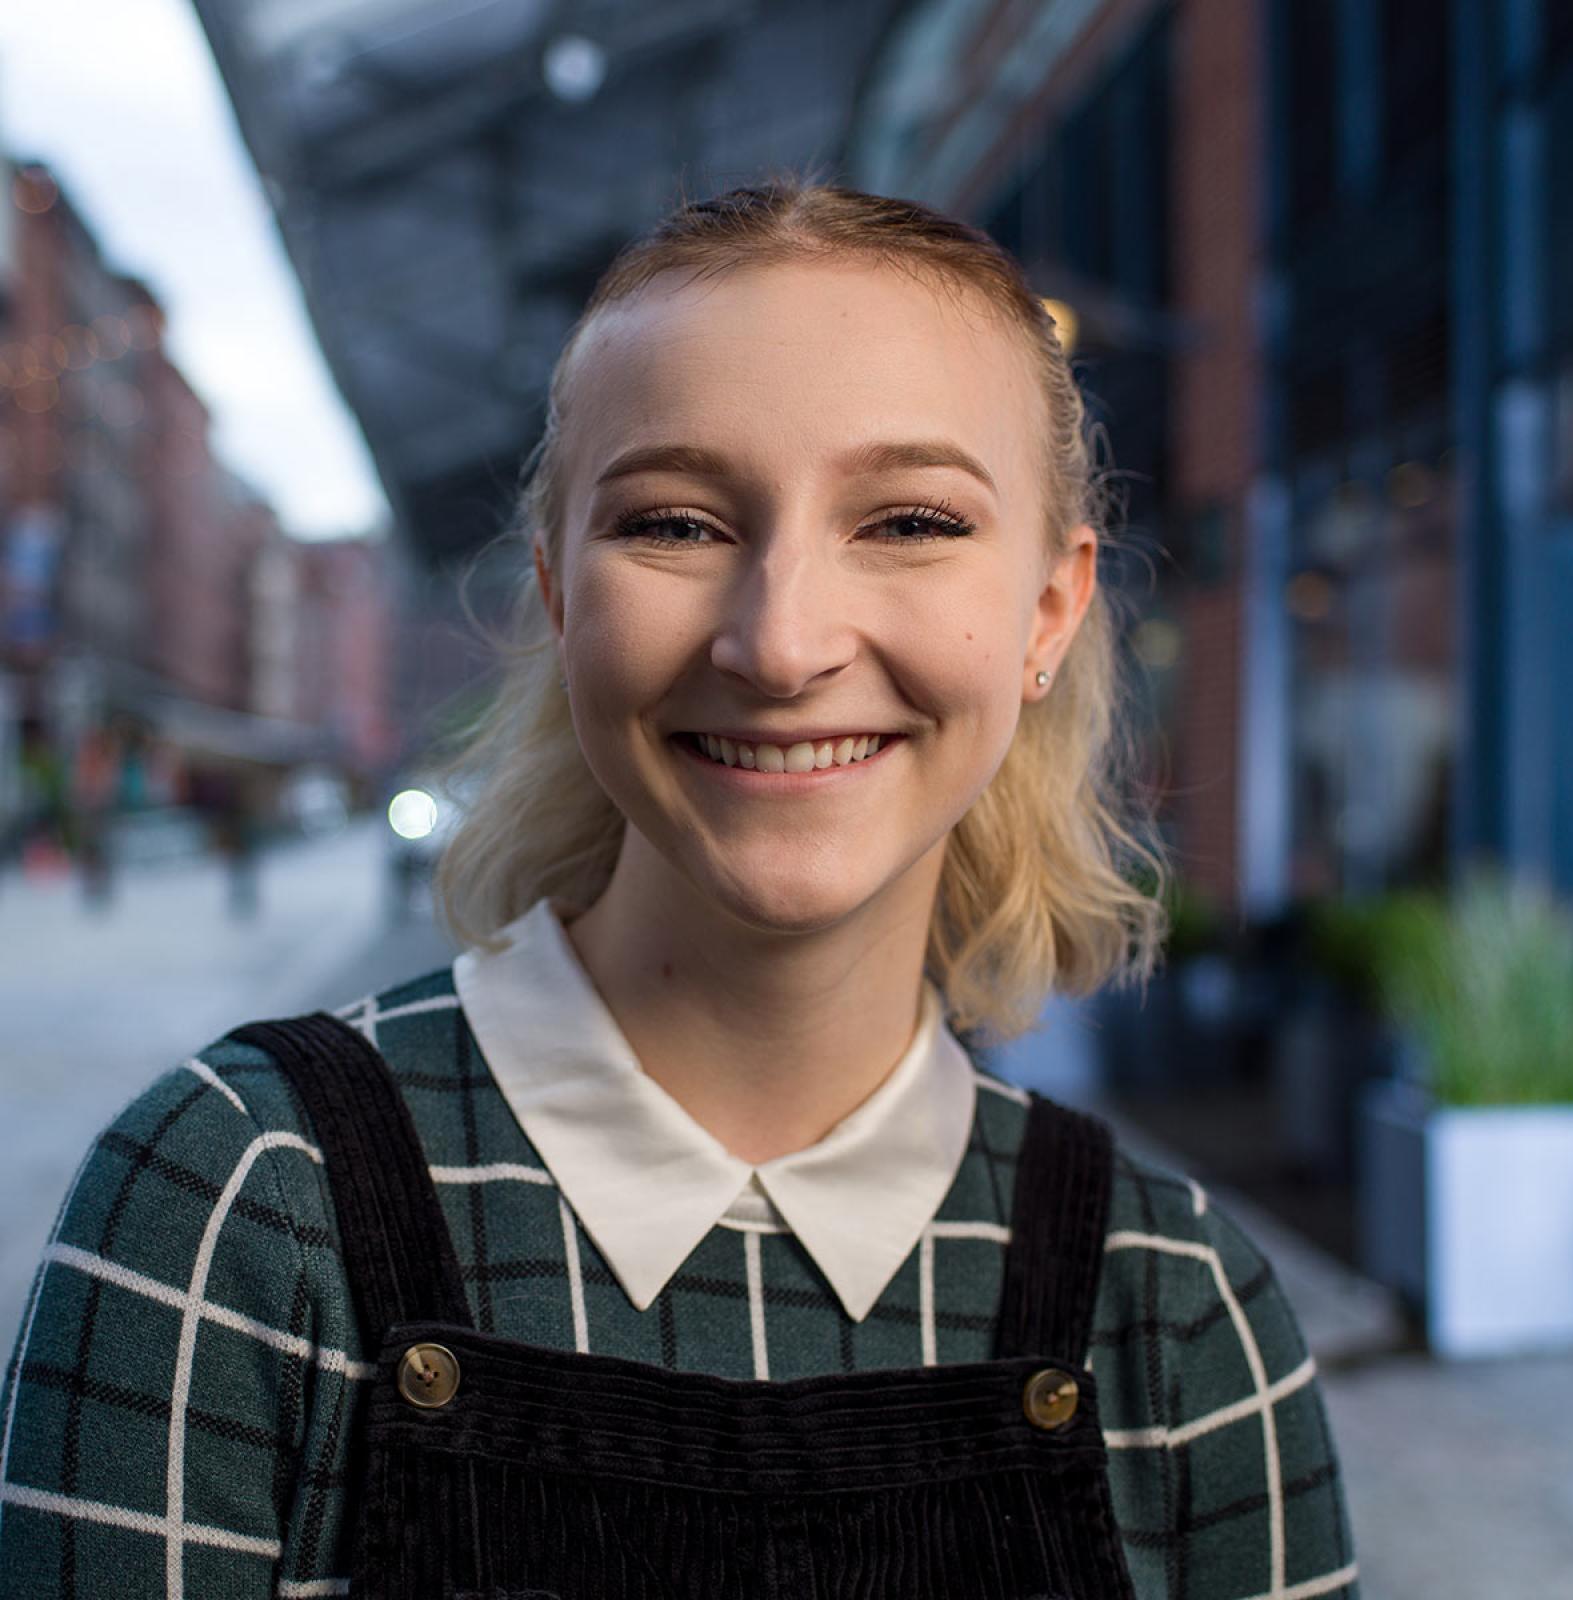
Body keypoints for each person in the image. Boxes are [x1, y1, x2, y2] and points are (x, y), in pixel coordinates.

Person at [0, 180, 1359, 1598]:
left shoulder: (1179, 1307)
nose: (781, 644)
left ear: (1050, 611)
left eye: (907, 523)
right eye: (679, 523)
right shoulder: (231, 1204)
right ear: (560, 595)